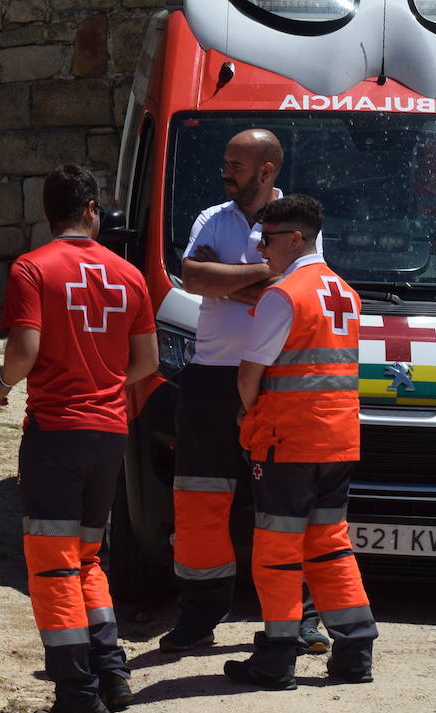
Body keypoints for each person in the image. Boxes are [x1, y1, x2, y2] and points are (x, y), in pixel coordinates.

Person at [0, 164, 158, 713]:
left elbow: (26, 346)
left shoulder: (33, 268)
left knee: (52, 564)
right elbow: (148, 363)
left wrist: (1, 385)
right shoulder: (128, 273)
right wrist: (107, 382)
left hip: (57, 430)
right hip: (109, 430)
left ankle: (76, 693)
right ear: (92, 209)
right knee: (88, 557)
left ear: (48, 211)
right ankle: (112, 670)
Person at [161, 128, 330, 656]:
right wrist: (257, 275)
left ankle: (297, 620)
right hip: (211, 376)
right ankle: (198, 615)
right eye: (225, 162)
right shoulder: (212, 218)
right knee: (199, 502)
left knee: (281, 506)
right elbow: (192, 278)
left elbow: (291, 288)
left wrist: (228, 276)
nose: (224, 171)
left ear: (266, 170)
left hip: (273, 378)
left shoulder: (300, 223)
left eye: (235, 164)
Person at [225, 194, 378, 690]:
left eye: (266, 241)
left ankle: (276, 658)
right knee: (330, 545)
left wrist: (248, 413)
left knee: (276, 550)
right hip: (339, 442)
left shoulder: (284, 294)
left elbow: (251, 373)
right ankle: (354, 650)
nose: (260, 252)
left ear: (294, 238)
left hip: (287, 442)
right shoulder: (345, 292)